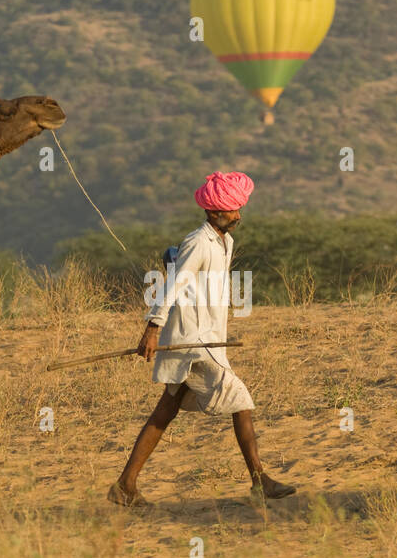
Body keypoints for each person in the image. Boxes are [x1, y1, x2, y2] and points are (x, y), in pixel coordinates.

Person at [107, 170, 296, 507]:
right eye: (232, 210)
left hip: (208, 337)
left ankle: (125, 485)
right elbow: (174, 283)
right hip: (192, 343)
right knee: (241, 401)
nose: (238, 216)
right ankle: (259, 481)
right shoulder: (198, 241)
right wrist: (153, 326)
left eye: (238, 209)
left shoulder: (225, 241)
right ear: (212, 212)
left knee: (166, 410)